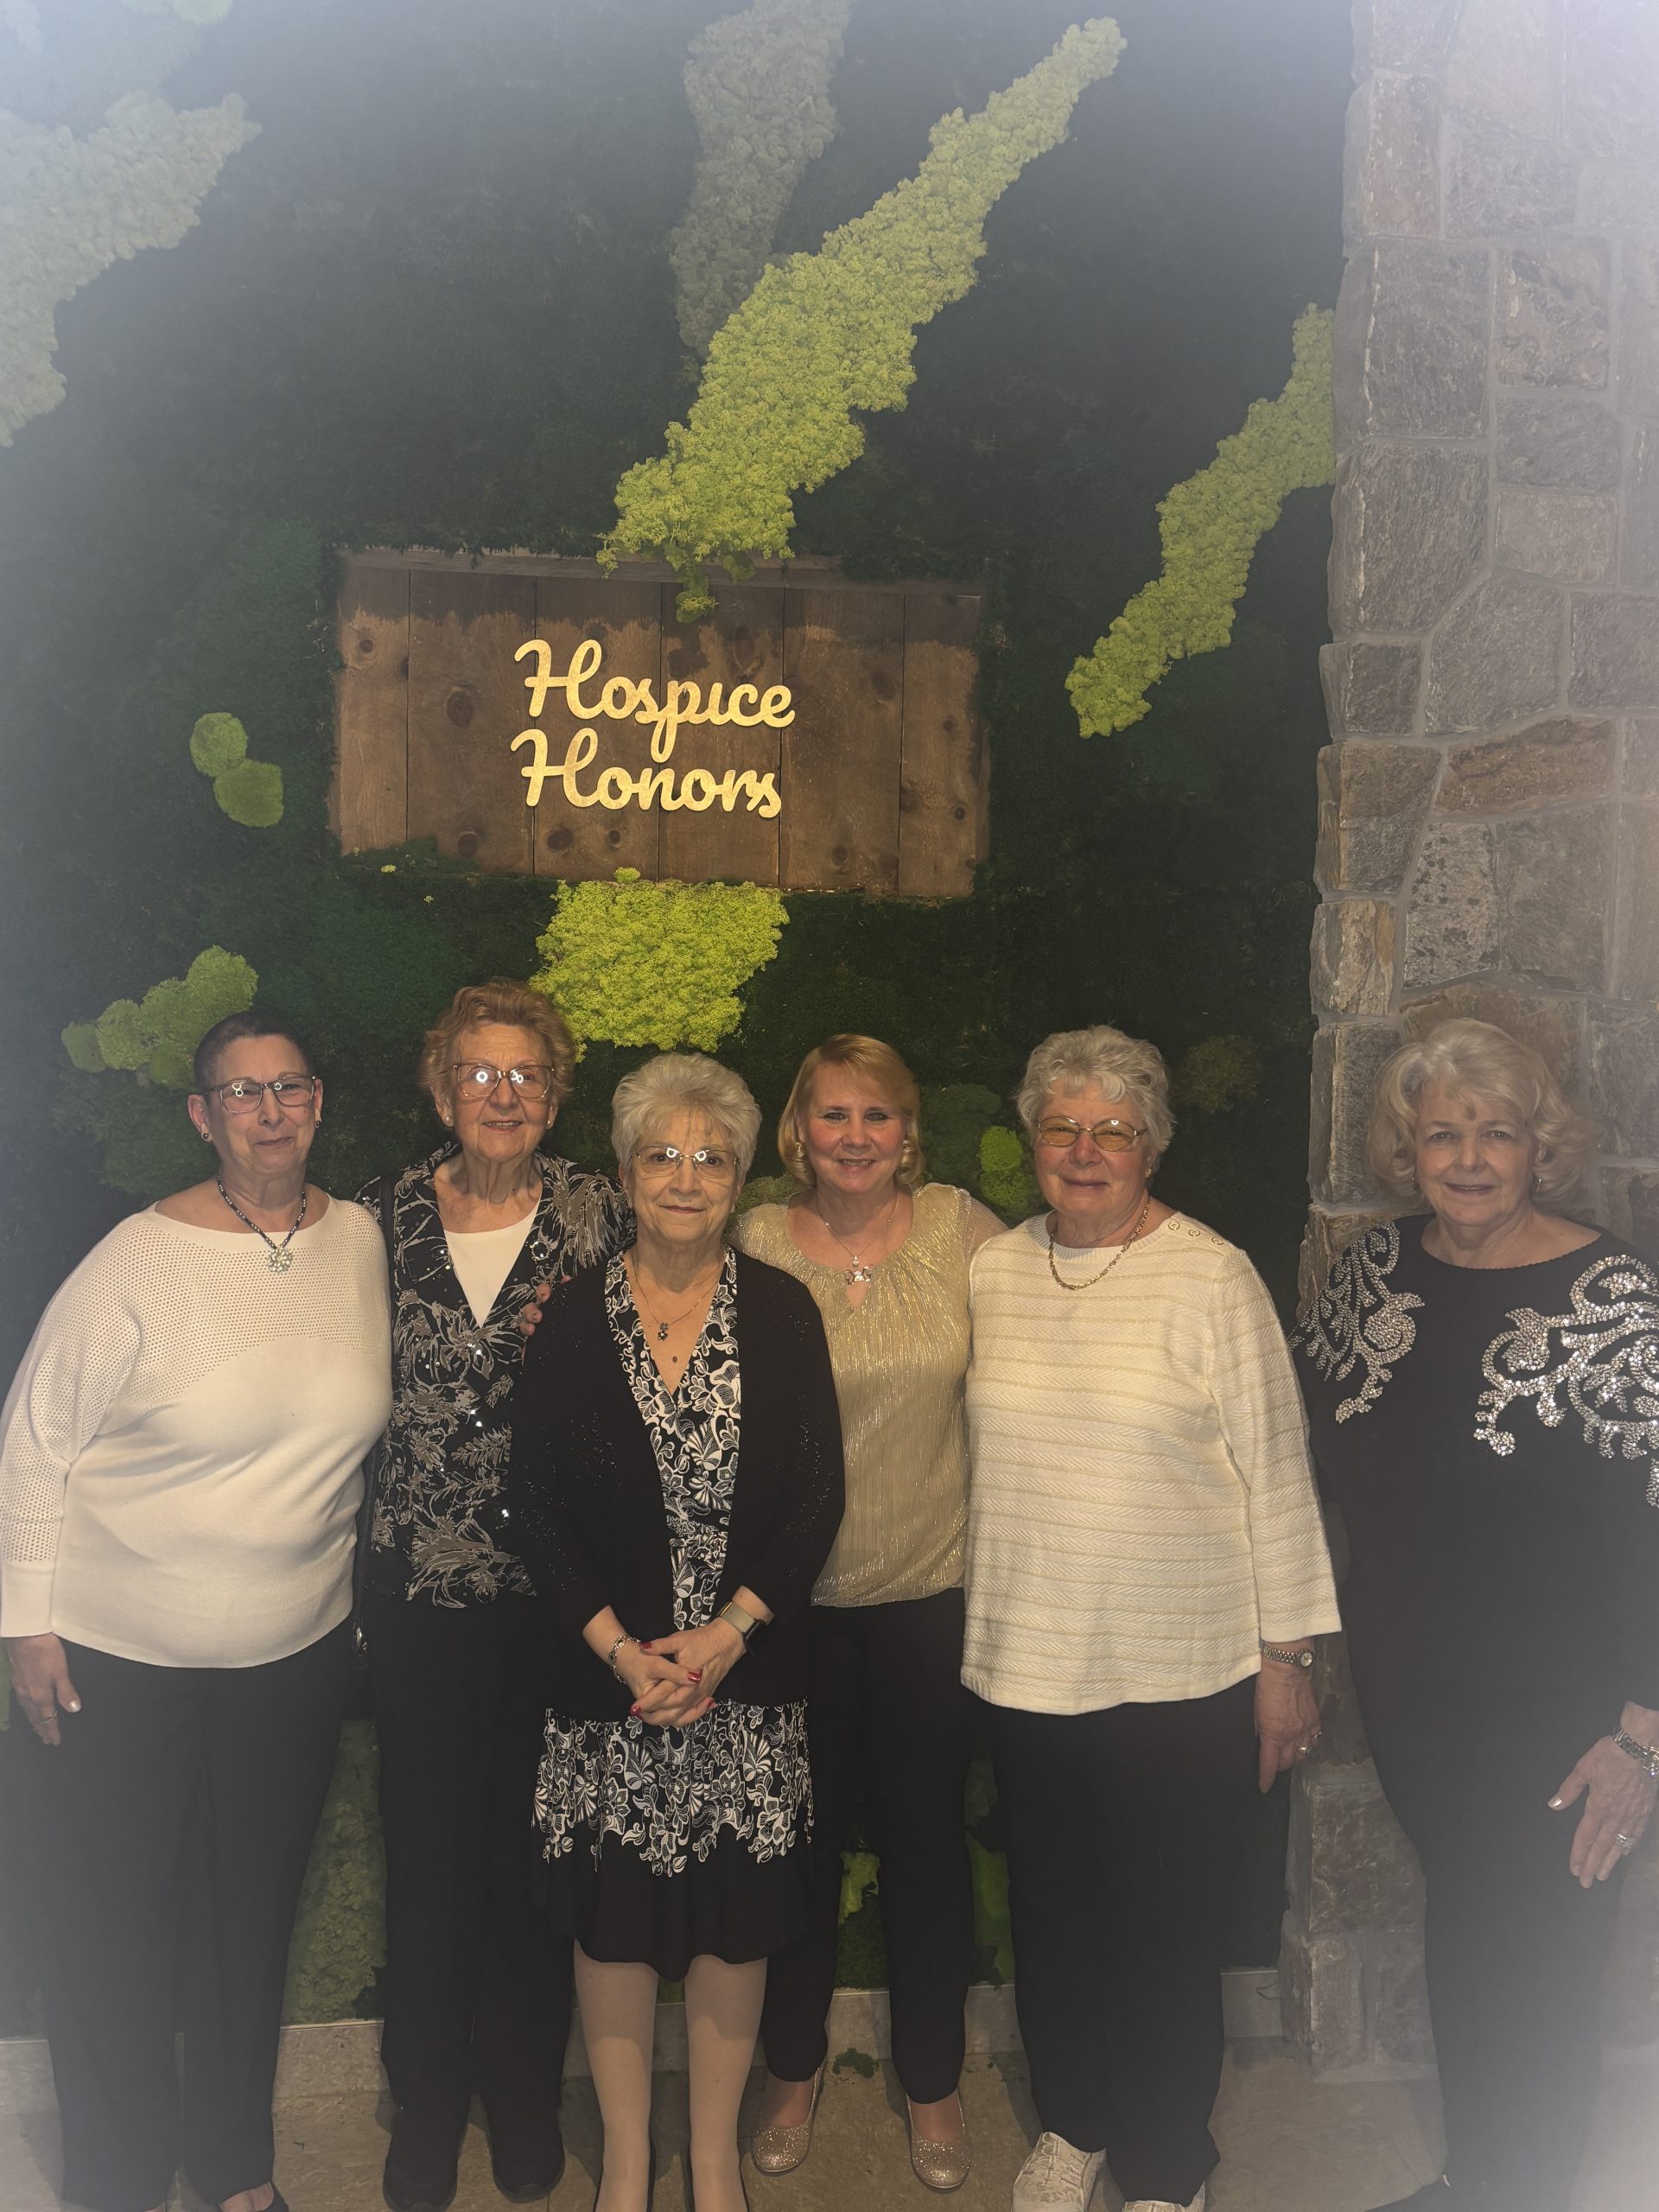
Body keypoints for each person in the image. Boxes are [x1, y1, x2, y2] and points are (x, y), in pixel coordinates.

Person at [0, 1010, 391, 2212]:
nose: (270, 1112)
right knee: (112, 1925)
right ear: (201, 1115)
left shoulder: (360, 1241)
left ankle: (232, 2170)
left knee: (248, 1926)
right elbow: (33, 1441)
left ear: (318, 1104)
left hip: (294, 1656)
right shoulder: (136, 1259)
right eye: (242, 1092)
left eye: (291, 1087)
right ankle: (116, 2179)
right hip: (117, 1660)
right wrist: (25, 1625)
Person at [964, 1024, 1340, 2212]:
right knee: (1053, 1919)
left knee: (1166, 1930)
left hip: (1184, 1671)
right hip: (1030, 1662)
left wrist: (1288, 1660)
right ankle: (1073, 2124)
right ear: (1032, 1141)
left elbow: (1277, 1475)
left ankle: (1169, 2164)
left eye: (1113, 1130)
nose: (1085, 1150)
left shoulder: (1212, 1277)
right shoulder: (997, 1270)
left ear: (1153, 1145)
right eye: (1062, 1127)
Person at [1293, 1017, 1659, 2212]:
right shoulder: (1376, 1273)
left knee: (1543, 1961)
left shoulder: (1612, 1297)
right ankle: (1478, 2177)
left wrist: (1644, 1735)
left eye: (1495, 1133)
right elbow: (1298, 1442)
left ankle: (1527, 2189)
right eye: (1442, 1133)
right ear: (1409, 1148)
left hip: (1566, 1718)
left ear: (1538, 1146)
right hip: (1420, 1703)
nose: (1466, 1159)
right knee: (1468, 1932)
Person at [507, 1052, 843, 2212]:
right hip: (609, 1689)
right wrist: (620, 1652)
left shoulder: (784, 1312)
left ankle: (710, 2166)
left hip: (742, 1685)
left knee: (732, 1932)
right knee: (609, 1933)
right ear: (626, 1174)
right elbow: (535, 1506)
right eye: (663, 1155)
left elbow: (816, 1497)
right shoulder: (570, 1318)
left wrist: (728, 1636)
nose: (686, 1178)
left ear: (741, 1180)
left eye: (712, 1158)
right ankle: (626, 2165)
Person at [353, 978, 630, 2212]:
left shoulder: (599, 1212)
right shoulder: (377, 1218)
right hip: (415, 1594)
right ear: (439, 1089)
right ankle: (426, 2100)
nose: (502, 1095)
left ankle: (522, 2091)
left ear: (555, 1097)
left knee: (532, 1857)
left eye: (526, 1075)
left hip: (555, 1597)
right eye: (479, 1073)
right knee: (426, 1853)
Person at [733, 1035, 1002, 2190]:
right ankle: (790, 2070)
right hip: (785, 1606)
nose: (855, 1136)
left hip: (930, 1600)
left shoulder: (961, 1229)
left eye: (877, 1115)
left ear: (908, 1131)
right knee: (792, 1848)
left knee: (925, 1847)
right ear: (798, 1130)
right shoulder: (752, 1238)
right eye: (833, 1114)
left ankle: (933, 2082)